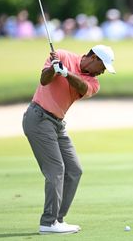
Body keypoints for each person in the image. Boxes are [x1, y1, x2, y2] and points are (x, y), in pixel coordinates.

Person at [22, 45, 116, 234]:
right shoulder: (63, 56)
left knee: (74, 170)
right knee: (56, 170)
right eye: (103, 66)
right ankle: (48, 223)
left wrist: (65, 73)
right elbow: (44, 80)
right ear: (94, 58)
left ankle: (57, 219)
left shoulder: (93, 82)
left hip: (57, 124)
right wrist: (53, 68)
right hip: (39, 118)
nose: (103, 71)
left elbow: (82, 87)